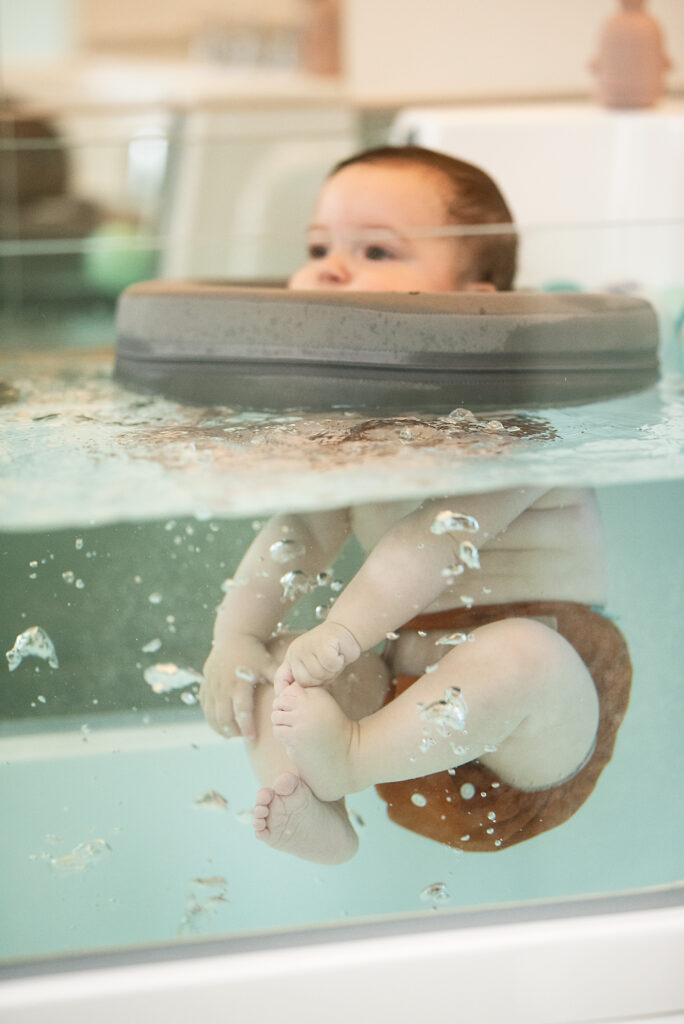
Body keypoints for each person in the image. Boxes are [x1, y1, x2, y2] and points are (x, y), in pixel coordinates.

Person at [200, 146, 631, 864]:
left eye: (374, 249)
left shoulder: (515, 423)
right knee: (283, 670)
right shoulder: (352, 429)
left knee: (523, 655)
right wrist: (235, 637)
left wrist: (342, 630)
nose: (329, 268)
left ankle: (350, 760)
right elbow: (300, 530)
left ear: (477, 302)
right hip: (411, 719)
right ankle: (317, 807)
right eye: (316, 247)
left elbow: (433, 538)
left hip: (533, 740)